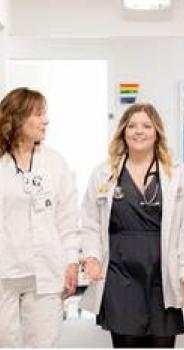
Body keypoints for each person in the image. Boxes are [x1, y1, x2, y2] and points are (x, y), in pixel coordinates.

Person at [79, 103, 184, 348]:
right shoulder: (104, 174)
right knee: (126, 341)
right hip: (119, 271)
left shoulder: (177, 174)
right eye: (132, 125)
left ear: (157, 131)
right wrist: (92, 256)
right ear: (123, 131)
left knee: (161, 342)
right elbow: (91, 222)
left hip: (161, 272)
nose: (139, 131)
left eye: (146, 125)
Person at [0, 87, 80, 347]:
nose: (46, 120)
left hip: (45, 270)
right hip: (4, 272)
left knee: (44, 343)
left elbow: (67, 220)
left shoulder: (54, 163)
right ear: (16, 117)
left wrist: (71, 262)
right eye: (38, 114)